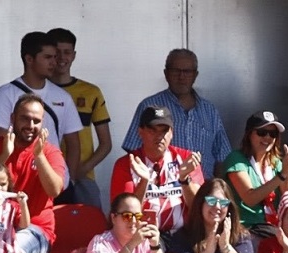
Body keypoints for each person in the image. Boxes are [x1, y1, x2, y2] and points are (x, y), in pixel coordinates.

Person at [0, 94, 66, 253]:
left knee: (12, 251)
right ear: (13, 118)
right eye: (25, 118)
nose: (30, 125)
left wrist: (39, 156)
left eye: (36, 121)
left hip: (35, 229)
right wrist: (5, 154)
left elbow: (54, 190)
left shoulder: (49, 152)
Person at [0, 32, 82, 183]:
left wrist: (69, 180)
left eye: (55, 57)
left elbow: (74, 145)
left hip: (54, 182)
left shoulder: (63, 96)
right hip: (17, 182)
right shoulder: (5, 94)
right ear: (29, 59)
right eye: (47, 57)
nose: (54, 62)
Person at [121, 49, 231, 180]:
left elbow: (223, 156)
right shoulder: (149, 106)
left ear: (195, 75)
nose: (181, 76)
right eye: (175, 71)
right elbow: (133, 152)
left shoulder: (210, 110)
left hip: (203, 190)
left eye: (187, 72)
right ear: (166, 73)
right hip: (164, 189)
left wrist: (215, 188)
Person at [110, 106, 203, 233]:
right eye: (152, 130)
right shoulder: (125, 164)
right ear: (140, 132)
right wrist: (143, 181)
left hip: (183, 235)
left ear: (172, 133)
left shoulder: (186, 159)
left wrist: (184, 179)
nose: (159, 136)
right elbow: (124, 215)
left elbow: (199, 209)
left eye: (164, 130)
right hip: (141, 236)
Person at [46, 28, 111, 207]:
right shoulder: (38, 90)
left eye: (67, 52)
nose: (61, 58)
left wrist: (83, 169)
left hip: (83, 177)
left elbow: (106, 144)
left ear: (74, 55)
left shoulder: (91, 92)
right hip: (46, 176)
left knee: (91, 229)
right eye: (56, 53)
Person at [224, 110, 288, 232]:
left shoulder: (276, 162)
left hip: (271, 226)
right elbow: (250, 198)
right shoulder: (236, 159)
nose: (267, 137)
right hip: (245, 227)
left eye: (273, 134)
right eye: (262, 132)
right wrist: (281, 175)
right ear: (249, 134)